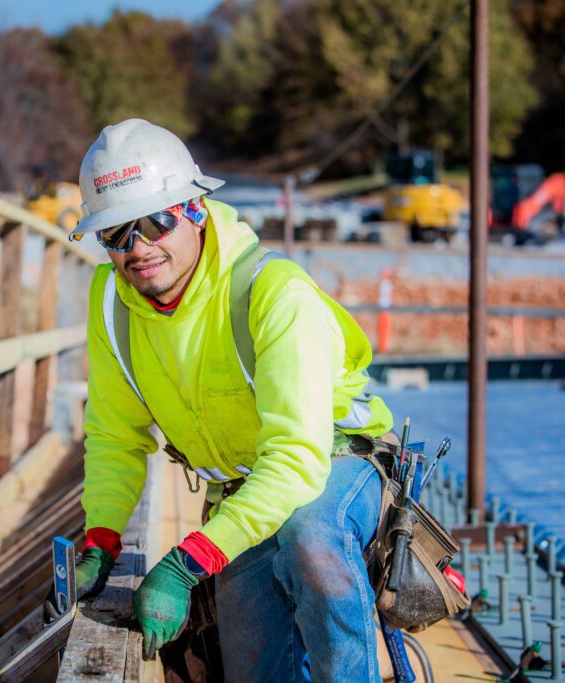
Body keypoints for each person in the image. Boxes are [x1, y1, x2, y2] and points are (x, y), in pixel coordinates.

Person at [65, 118, 395, 682]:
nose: (138, 248)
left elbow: (296, 462)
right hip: (245, 488)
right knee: (251, 671)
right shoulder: (112, 306)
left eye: (154, 221)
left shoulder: (274, 293)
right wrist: (101, 534)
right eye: (116, 233)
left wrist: (185, 563)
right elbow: (116, 435)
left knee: (309, 535)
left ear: (194, 210)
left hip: (338, 463)